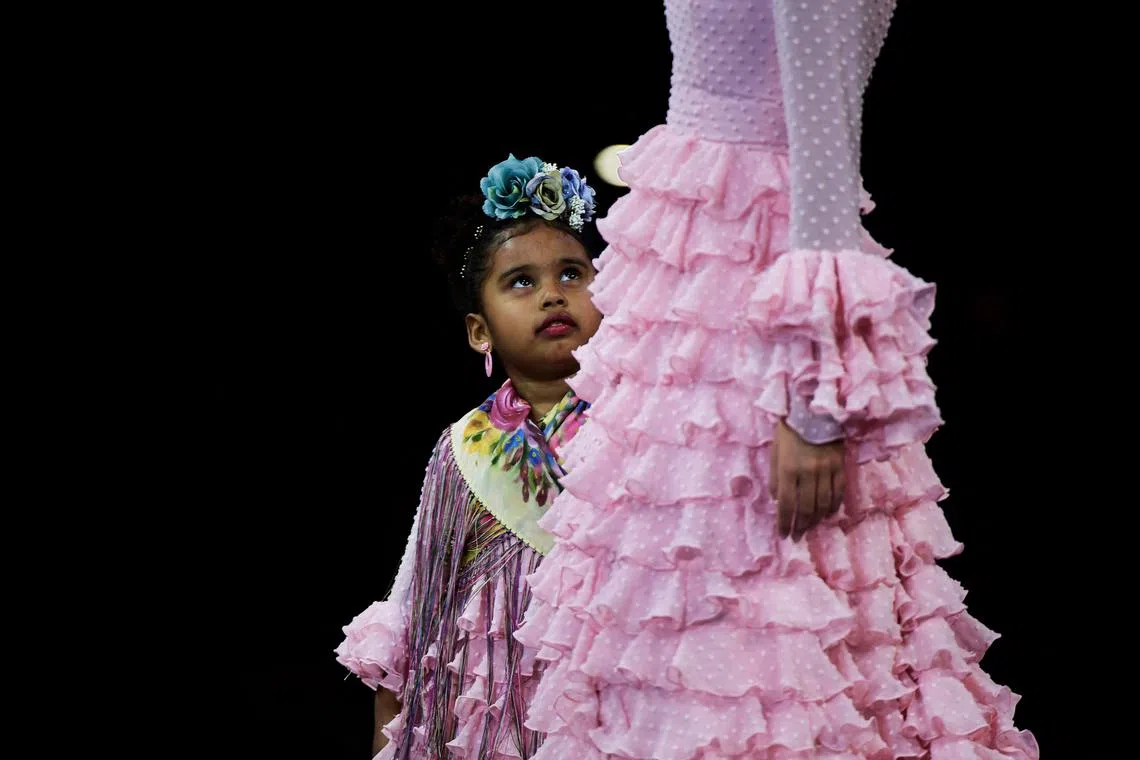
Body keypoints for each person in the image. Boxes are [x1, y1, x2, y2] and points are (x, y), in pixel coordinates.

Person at [514, 3, 1040, 758]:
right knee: (678, 614)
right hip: (702, 277)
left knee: (751, 614)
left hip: (747, 290)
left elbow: (824, 165)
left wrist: (812, 400)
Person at [335, 154, 603, 758]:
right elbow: (415, 604)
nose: (553, 296)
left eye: (572, 274)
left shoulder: (654, 428)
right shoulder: (462, 449)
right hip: (497, 719)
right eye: (522, 282)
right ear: (479, 331)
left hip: (615, 702)